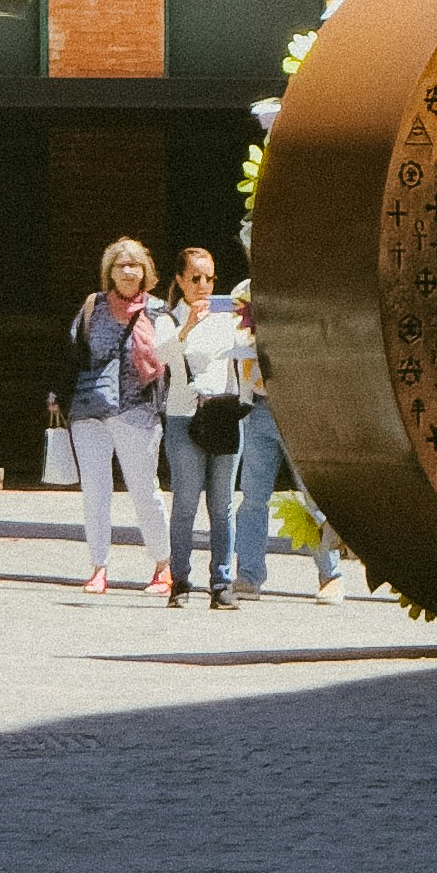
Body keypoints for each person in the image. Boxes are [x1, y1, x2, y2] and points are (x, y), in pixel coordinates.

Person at [67, 235, 175, 600]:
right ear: (109, 272)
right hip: (89, 408)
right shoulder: (92, 307)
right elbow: (72, 353)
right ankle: (99, 568)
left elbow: (170, 360)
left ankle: (163, 565)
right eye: (120, 265)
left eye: (135, 265)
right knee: (95, 492)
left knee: (145, 491)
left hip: (138, 410)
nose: (128, 271)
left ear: (146, 272)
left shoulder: (159, 311)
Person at [231, 285, 346, 605]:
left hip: (299, 409)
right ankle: (249, 576)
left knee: (313, 496)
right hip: (258, 407)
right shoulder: (242, 293)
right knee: (253, 497)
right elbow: (235, 338)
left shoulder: (297, 284)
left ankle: (330, 575)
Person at [163, 243, 243, 608]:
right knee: (185, 503)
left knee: (223, 503)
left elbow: (245, 353)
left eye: (209, 278)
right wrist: (188, 327)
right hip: (184, 415)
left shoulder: (227, 316)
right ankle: (180, 581)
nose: (202, 284)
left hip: (223, 413)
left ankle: (222, 582)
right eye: (194, 277)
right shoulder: (168, 318)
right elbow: (160, 356)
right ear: (179, 280)